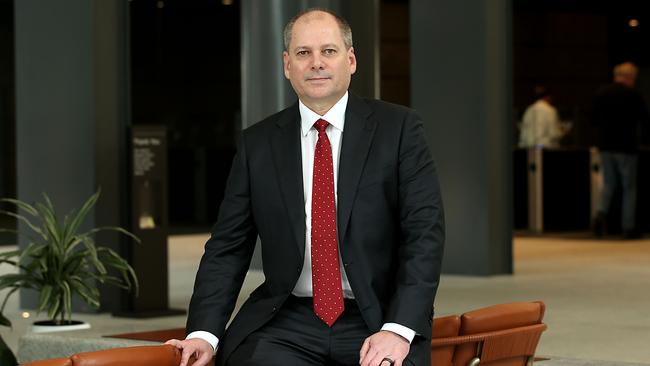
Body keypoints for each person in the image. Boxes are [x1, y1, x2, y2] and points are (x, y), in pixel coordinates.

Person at [166, 8, 445, 366]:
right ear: (287, 65)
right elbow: (227, 246)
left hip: (377, 316)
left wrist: (399, 328)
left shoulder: (400, 129)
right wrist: (204, 333)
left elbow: (425, 235)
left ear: (351, 60)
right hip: (288, 319)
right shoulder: (258, 144)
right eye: (303, 53)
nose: (316, 63)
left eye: (328, 51)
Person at [592, 62, 649, 239]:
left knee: (608, 184)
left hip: (605, 146)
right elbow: (644, 120)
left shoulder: (601, 93)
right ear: (630, 77)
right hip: (626, 146)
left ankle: (600, 214)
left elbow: (593, 119)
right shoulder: (633, 95)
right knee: (629, 187)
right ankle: (628, 226)